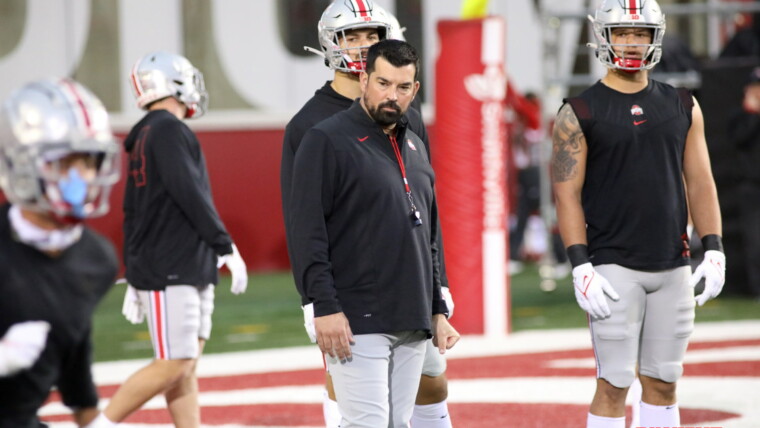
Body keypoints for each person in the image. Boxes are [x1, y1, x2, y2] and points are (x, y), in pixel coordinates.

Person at [281, 2, 457, 427]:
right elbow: (303, 219)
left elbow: (423, 207)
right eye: (351, 37)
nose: (362, 46)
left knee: (432, 382)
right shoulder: (312, 127)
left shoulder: (407, 118)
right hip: (355, 293)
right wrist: (315, 301)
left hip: (408, 290)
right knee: (353, 393)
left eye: (371, 36)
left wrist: (439, 286)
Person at [551, 1, 725, 427]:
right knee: (613, 381)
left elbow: (701, 181)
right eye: (623, 32)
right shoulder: (580, 110)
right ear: (603, 37)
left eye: (641, 32)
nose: (632, 41)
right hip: (612, 265)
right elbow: (566, 194)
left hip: (672, 262)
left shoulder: (683, 104)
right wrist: (580, 265)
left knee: (664, 381)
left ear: (656, 36)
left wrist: (715, 248)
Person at [90, 51, 249, 428]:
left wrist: (134, 268)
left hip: (178, 262)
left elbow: (136, 209)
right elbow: (188, 193)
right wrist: (224, 244)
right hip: (172, 265)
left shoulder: (149, 131)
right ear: (172, 83)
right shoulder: (166, 129)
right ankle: (98, 425)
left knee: (185, 365)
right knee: (175, 362)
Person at [0, 78, 121, 427]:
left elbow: (72, 336)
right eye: (63, 162)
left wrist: (88, 415)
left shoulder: (96, 259)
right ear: (20, 165)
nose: (80, 178)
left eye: (88, 162)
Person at [726, 66, 760, 301]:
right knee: (755, 241)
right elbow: (740, 140)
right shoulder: (739, 116)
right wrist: (753, 113)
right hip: (751, 185)